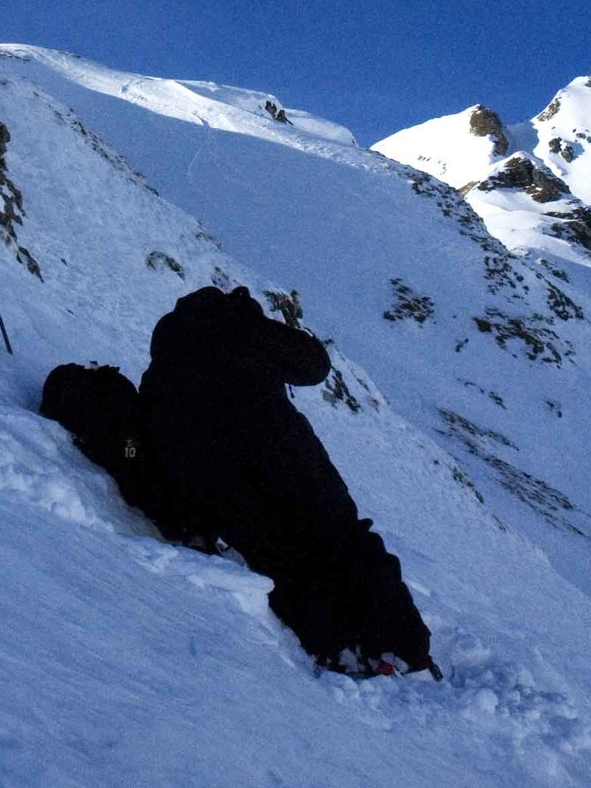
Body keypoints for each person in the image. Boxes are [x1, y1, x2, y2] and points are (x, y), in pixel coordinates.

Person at [138, 285, 438, 678]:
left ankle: (333, 645)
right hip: (283, 449)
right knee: (344, 534)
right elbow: (314, 366)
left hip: (215, 472)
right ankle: (405, 648)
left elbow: (151, 425)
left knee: (275, 552)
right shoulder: (240, 325)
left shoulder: (166, 353)